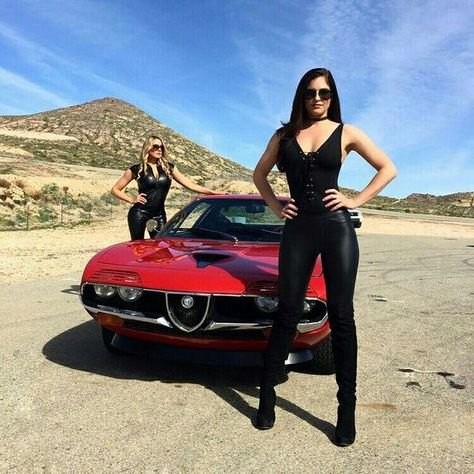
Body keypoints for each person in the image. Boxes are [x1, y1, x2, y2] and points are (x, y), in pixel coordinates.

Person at [252, 68, 397, 446]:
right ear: (301, 96)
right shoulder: (284, 136)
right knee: (287, 311)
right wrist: (276, 206)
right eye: (311, 92)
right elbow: (259, 175)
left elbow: (388, 168)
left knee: (342, 316)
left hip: (336, 228)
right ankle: (267, 396)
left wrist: (355, 200)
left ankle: (346, 410)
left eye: (324, 93)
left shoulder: (347, 132)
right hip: (298, 229)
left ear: (332, 97)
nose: (317, 99)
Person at [112, 134, 222, 240]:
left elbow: (190, 185)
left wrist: (214, 193)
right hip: (139, 213)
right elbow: (115, 189)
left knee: (161, 245)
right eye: (156, 146)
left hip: (159, 214)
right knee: (138, 247)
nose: (159, 149)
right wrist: (131, 199)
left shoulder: (169, 168)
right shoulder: (137, 169)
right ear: (148, 148)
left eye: (161, 147)